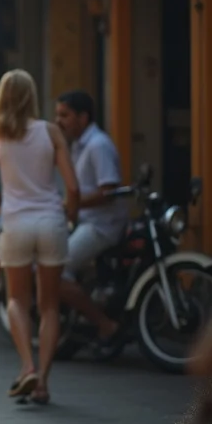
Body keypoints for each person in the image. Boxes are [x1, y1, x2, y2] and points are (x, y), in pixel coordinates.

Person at [0, 69, 80, 405]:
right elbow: (73, 186)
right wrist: (72, 214)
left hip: (15, 224)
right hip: (51, 221)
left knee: (16, 300)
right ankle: (43, 382)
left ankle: (27, 366)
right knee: (50, 306)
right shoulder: (50, 132)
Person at [54, 90, 129, 353]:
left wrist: (71, 204)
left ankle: (105, 325)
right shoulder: (77, 144)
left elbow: (107, 191)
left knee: (57, 273)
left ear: (83, 117)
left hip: (101, 225)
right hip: (86, 221)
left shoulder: (98, 145)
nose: (59, 121)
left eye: (65, 115)